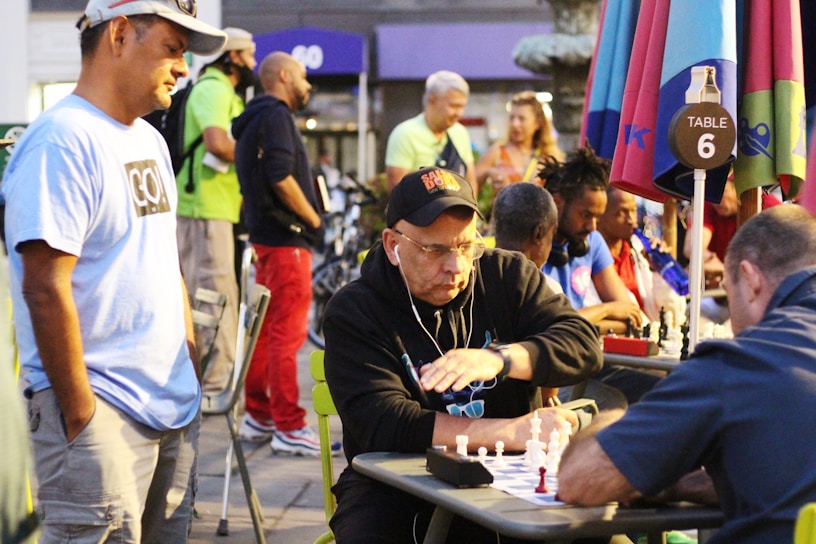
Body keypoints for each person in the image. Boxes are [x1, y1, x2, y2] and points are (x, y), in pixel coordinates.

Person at [1, 1, 226, 541]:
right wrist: (81, 413)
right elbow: (44, 286)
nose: (183, 67)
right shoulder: (61, 139)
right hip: (101, 416)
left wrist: (189, 367)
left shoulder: (149, 140)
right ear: (120, 34)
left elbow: (164, 261)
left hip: (171, 408)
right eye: (172, 49)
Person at [322, 166, 602, 543]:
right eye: (435, 250)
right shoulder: (355, 310)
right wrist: (515, 432)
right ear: (392, 245)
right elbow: (385, 424)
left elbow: (584, 344)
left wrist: (501, 359)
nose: (456, 266)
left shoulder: (507, 274)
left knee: (604, 530)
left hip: (513, 473)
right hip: (395, 483)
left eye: (466, 246)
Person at [558, 204, 816, 544]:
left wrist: (617, 418)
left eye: (729, 293)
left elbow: (578, 479)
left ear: (750, 280)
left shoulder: (741, 361)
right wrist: (691, 484)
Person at [232, 51, 337, 456]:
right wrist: (313, 219)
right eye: (303, 76)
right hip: (286, 241)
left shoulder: (254, 118)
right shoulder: (276, 116)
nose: (308, 85)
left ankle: (259, 416)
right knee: (285, 334)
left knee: (265, 330)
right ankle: (289, 425)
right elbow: (280, 175)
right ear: (283, 77)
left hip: (266, 239)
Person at [540, 147, 660, 406]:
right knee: (613, 405)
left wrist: (580, 323)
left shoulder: (592, 241)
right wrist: (606, 310)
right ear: (558, 202)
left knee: (664, 389)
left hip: (590, 360)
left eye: (597, 217)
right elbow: (551, 329)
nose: (592, 226)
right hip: (555, 373)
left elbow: (629, 316)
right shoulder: (535, 247)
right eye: (586, 215)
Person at [176, 26, 257, 392]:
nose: (253, 63)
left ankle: (215, 384)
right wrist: (256, 153)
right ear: (234, 57)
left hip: (214, 209)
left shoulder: (221, 90)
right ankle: (212, 388)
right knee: (212, 298)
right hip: (203, 210)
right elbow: (217, 143)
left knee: (219, 296)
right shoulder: (213, 89)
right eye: (249, 55)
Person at [683, 176, 780, 325]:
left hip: (760, 301)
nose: (718, 199)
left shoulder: (769, 207)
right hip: (721, 300)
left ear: (738, 187)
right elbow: (692, 247)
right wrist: (711, 263)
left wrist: (726, 272)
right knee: (690, 314)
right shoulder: (710, 201)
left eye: (724, 191)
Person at [597, 186, 685, 323]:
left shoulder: (639, 251)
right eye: (621, 213)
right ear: (600, 217)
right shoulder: (593, 259)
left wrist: (659, 271)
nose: (631, 219)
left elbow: (672, 314)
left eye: (633, 210)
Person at [385, 70, 477, 194]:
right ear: (432, 101)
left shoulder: (460, 133)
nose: (459, 114)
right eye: (454, 106)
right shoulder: (405, 134)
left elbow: (470, 182)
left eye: (462, 107)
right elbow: (396, 190)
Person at [475, 91, 564, 197]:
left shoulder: (549, 157)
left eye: (522, 119)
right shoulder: (497, 151)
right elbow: (470, 187)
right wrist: (488, 172)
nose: (515, 124)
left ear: (537, 123)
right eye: (512, 118)